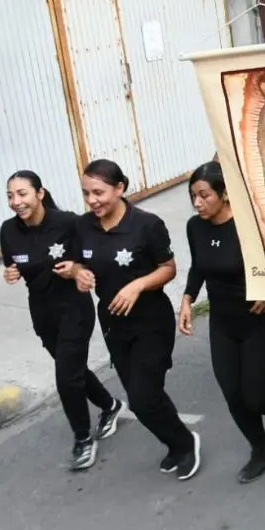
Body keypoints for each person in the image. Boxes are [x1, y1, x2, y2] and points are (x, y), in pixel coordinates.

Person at [178, 162, 265, 483]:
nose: (197, 203)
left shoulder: (254, 226)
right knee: (233, 396)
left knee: (256, 396)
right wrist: (187, 298)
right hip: (223, 323)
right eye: (193, 196)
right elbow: (199, 266)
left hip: (260, 321)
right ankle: (261, 449)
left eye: (204, 195)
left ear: (225, 195)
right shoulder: (195, 227)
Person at [71, 159, 201, 479]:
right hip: (115, 325)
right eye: (86, 194)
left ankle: (185, 443)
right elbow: (76, 263)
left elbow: (168, 268)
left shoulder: (147, 224)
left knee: (143, 399)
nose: (92, 201)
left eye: (99, 193)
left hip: (150, 322)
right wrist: (79, 274)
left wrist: (137, 285)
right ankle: (174, 442)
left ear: (120, 188)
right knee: (144, 396)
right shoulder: (83, 226)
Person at [0, 170, 124, 471]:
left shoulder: (69, 223)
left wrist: (78, 269)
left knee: (66, 376)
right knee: (72, 368)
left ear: (40, 194)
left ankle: (83, 439)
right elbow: (11, 264)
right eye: (10, 196)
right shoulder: (8, 231)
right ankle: (110, 405)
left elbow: (93, 254)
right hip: (42, 312)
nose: (17, 201)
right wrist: (10, 273)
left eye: (23, 194)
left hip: (73, 308)